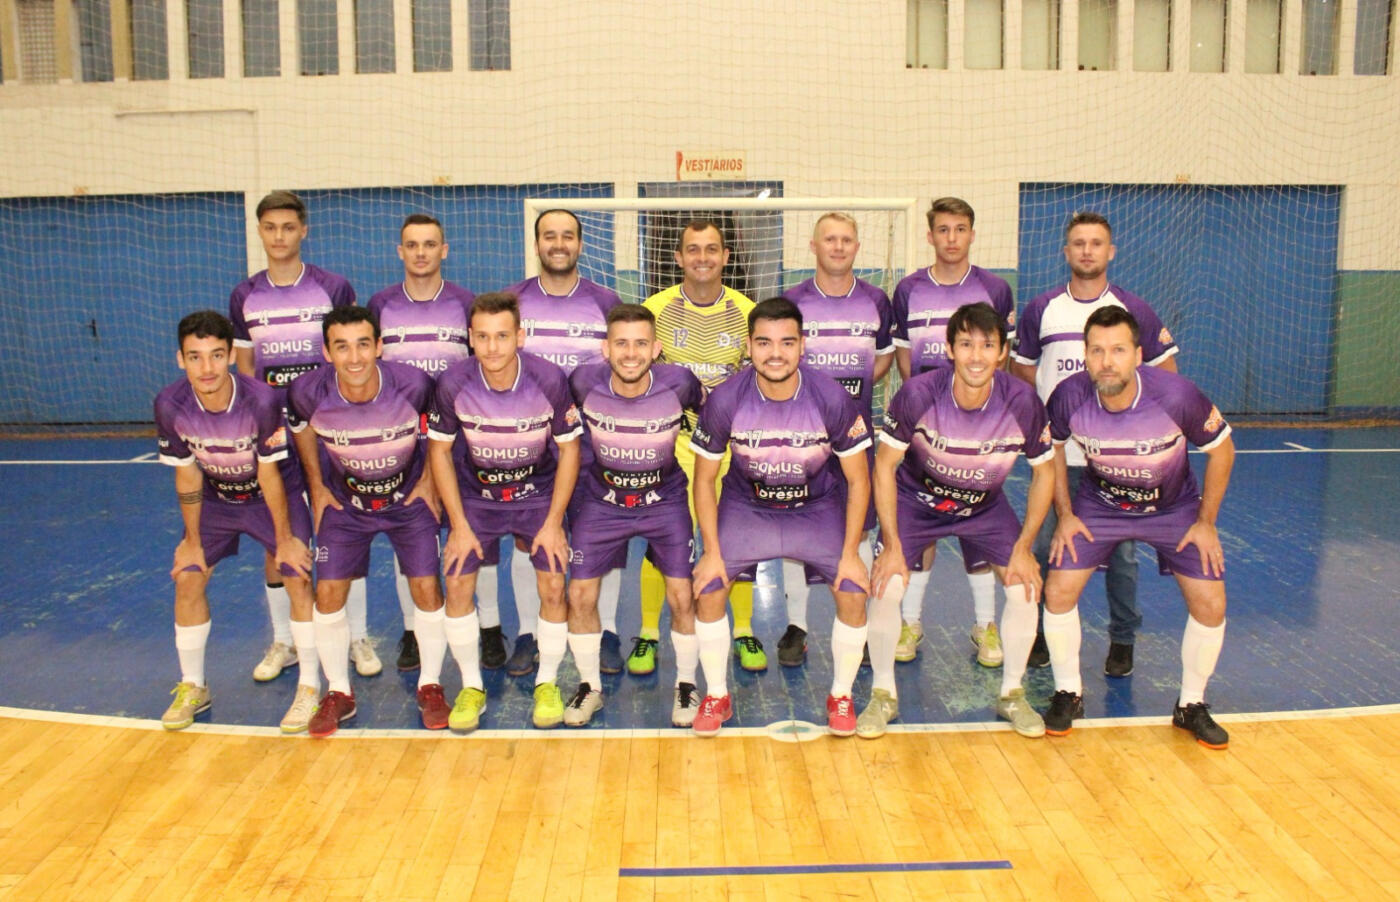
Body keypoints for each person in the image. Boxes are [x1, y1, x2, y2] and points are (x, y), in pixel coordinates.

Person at [1040, 306, 1233, 749]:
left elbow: (1222, 451)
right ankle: (1068, 692)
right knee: (1058, 590)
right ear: (1085, 355)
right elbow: (1052, 450)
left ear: (1138, 355)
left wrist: (1206, 522)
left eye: (1118, 350)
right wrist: (1065, 514)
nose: (1107, 361)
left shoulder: (1177, 395)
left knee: (1211, 603)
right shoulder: (1069, 396)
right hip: (1101, 505)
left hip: (1174, 508)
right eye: (1097, 351)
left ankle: (1191, 704)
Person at [863, 304, 1054, 739]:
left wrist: (1024, 548)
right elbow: (885, 466)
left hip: (985, 507)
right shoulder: (919, 394)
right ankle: (882, 694)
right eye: (966, 344)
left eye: (987, 346)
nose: (976, 356)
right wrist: (891, 544)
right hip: (916, 502)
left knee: (1024, 588)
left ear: (1002, 353)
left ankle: (1012, 694)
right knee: (886, 585)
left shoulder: (1022, 401)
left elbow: (1045, 472)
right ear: (949, 349)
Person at [689, 298, 873, 737]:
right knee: (709, 587)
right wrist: (711, 552)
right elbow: (704, 480)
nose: (776, 353)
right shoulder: (725, 399)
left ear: (802, 345)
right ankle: (716, 694)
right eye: (764, 343)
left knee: (852, 590)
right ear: (749, 346)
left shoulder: (831, 397)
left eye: (787, 343)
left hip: (815, 508)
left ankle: (841, 695)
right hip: (748, 507)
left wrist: (851, 553)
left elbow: (859, 479)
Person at [1013, 211, 1180, 677]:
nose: (1087, 250)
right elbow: (1023, 372)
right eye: (1079, 243)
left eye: (1096, 243)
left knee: (1122, 556)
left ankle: (1123, 639)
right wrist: (1044, 423)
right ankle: (1041, 634)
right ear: (1066, 251)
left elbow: (1167, 375)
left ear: (1111, 251)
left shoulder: (1134, 309)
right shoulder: (1042, 309)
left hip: (1116, 462)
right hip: (1057, 458)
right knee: (1045, 547)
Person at [228, 190, 379, 682]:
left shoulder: (332, 287)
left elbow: (352, 356)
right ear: (259, 231)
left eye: (288, 227)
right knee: (279, 535)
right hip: (274, 437)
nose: (279, 236)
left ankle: (356, 635)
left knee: (347, 527)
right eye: (270, 227)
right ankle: (285, 640)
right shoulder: (244, 295)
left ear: (303, 231)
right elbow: (246, 367)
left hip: (330, 432)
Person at [286, 307, 450, 737]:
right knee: (327, 593)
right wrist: (317, 485)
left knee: (426, 587)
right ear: (326, 352)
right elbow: (302, 430)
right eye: (341, 347)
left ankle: (431, 685)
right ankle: (339, 692)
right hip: (346, 505)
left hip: (407, 500)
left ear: (379, 346)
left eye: (363, 345)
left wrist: (429, 481)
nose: (354, 357)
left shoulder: (414, 385)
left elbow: (438, 433)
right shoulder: (306, 392)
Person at [154, 311, 317, 732]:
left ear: (230, 355)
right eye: (195, 357)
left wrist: (284, 539)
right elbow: (187, 474)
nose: (206, 367)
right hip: (217, 498)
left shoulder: (261, 400)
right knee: (188, 577)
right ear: (180, 359)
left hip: (272, 492)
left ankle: (310, 687)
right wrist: (192, 540)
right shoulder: (170, 405)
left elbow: (269, 473)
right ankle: (194, 685)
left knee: (296, 573)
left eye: (215, 355)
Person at [427, 292, 582, 730]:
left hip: (537, 494)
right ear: (470, 338)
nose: (492, 347)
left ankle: (547, 682)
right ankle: (471, 687)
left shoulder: (548, 379)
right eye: (482, 337)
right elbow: (439, 452)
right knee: (458, 582)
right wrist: (458, 525)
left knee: (553, 584)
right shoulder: (453, 383)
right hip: (478, 497)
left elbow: (570, 451)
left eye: (502, 336)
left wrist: (554, 523)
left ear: (520, 336)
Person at [488, 209, 624, 677]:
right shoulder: (513, 300)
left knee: (603, 540)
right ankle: (529, 632)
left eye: (568, 236)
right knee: (528, 541)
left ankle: (605, 631)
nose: (559, 244)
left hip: (594, 445)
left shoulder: (605, 300)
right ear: (537, 244)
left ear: (580, 244)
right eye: (550, 236)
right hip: (529, 448)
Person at [564, 305, 705, 726]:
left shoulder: (680, 383)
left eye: (641, 343)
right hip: (602, 502)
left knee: (682, 595)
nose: (630, 353)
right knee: (580, 596)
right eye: (621, 343)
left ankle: (686, 685)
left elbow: (713, 416)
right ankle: (589, 687)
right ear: (605, 348)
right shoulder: (582, 382)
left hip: (664, 500)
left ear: (656, 348)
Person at [890, 197, 1016, 669]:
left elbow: (1002, 357)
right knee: (921, 519)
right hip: (925, 427)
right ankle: (910, 622)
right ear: (930, 236)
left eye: (960, 229)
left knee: (977, 515)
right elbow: (904, 356)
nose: (951, 238)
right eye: (942, 229)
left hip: (981, 428)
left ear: (972, 234)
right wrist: (922, 408)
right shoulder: (908, 289)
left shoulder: (995, 288)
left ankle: (985, 624)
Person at [641, 220, 766, 676]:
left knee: (737, 540)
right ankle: (648, 633)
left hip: (732, 447)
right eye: (692, 249)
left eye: (711, 249)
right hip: (673, 445)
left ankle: (744, 629)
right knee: (664, 538)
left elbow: (760, 380)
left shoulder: (747, 312)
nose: (702, 258)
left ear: (726, 257)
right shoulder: (655, 310)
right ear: (678, 258)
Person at [777, 212, 894, 666]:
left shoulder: (876, 300)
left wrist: (845, 401)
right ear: (814, 246)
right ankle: (797, 626)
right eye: (830, 239)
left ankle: (855, 623)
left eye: (846, 239)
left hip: (854, 439)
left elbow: (882, 359)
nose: (838, 247)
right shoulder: (792, 301)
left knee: (857, 526)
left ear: (857, 247)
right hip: (798, 439)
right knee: (795, 527)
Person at [367, 213, 474, 674]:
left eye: (430, 244)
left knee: (472, 534)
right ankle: (413, 628)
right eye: (412, 245)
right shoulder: (380, 305)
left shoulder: (466, 303)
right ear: (400, 251)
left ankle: (487, 627)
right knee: (409, 534)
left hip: (461, 441)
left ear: (444, 250)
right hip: (401, 444)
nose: (421, 253)